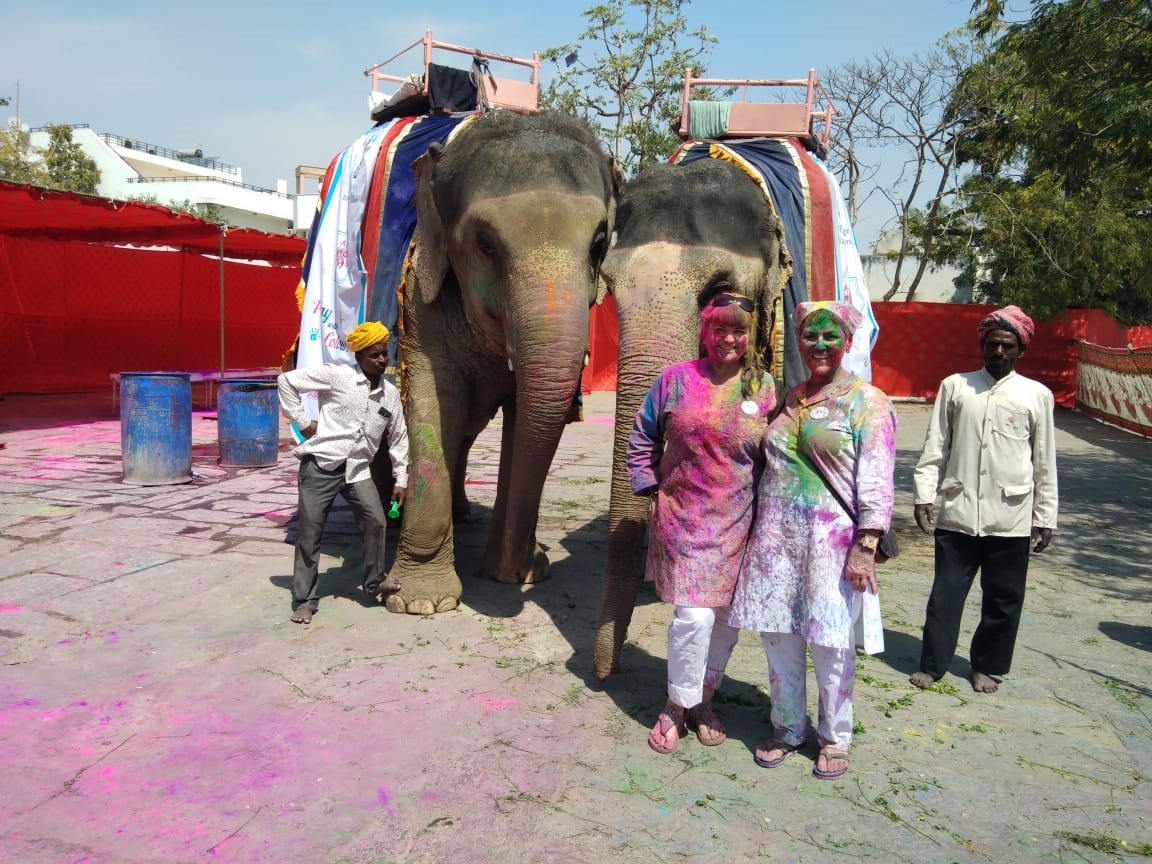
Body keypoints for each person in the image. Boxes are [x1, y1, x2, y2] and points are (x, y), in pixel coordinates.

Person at [730, 300, 896, 780]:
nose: (819, 344)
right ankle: (786, 727)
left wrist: (866, 547)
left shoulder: (868, 402)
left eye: (829, 336)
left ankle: (834, 737)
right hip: (776, 545)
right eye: (810, 336)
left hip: (833, 548)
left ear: (846, 342)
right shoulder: (792, 397)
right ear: (799, 341)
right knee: (779, 638)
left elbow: (877, 482)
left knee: (831, 643)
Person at [627, 292, 783, 754]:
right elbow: (642, 435)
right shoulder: (675, 380)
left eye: (738, 331)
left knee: (726, 620)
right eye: (720, 329)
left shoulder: (763, 387)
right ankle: (676, 706)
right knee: (692, 617)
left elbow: (780, 451)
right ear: (705, 332)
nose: (728, 338)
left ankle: (704, 702)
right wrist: (651, 489)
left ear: (749, 337)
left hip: (741, 521)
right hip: (684, 519)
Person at [910, 305, 1057, 694]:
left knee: (1003, 602)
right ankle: (932, 664)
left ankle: (985, 667)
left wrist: (1045, 516)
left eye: (1007, 346)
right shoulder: (955, 386)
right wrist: (924, 495)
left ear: (1020, 349)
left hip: (1011, 518)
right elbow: (935, 447)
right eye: (992, 344)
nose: (998, 352)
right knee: (944, 597)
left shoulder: (1036, 395)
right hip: (958, 515)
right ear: (982, 344)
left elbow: (1044, 462)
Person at [277, 321, 409, 624]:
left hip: (357, 470)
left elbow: (399, 437)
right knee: (310, 535)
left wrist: (401, 478)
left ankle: (374, 583)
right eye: (375, 355)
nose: (382, 360)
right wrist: (303, 421)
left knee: (376, 521)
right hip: (320, 466)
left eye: (385, 354)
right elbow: (287, 381)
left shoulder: (389, 396)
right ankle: (305, 600)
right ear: (359, 355)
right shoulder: (338, 377)